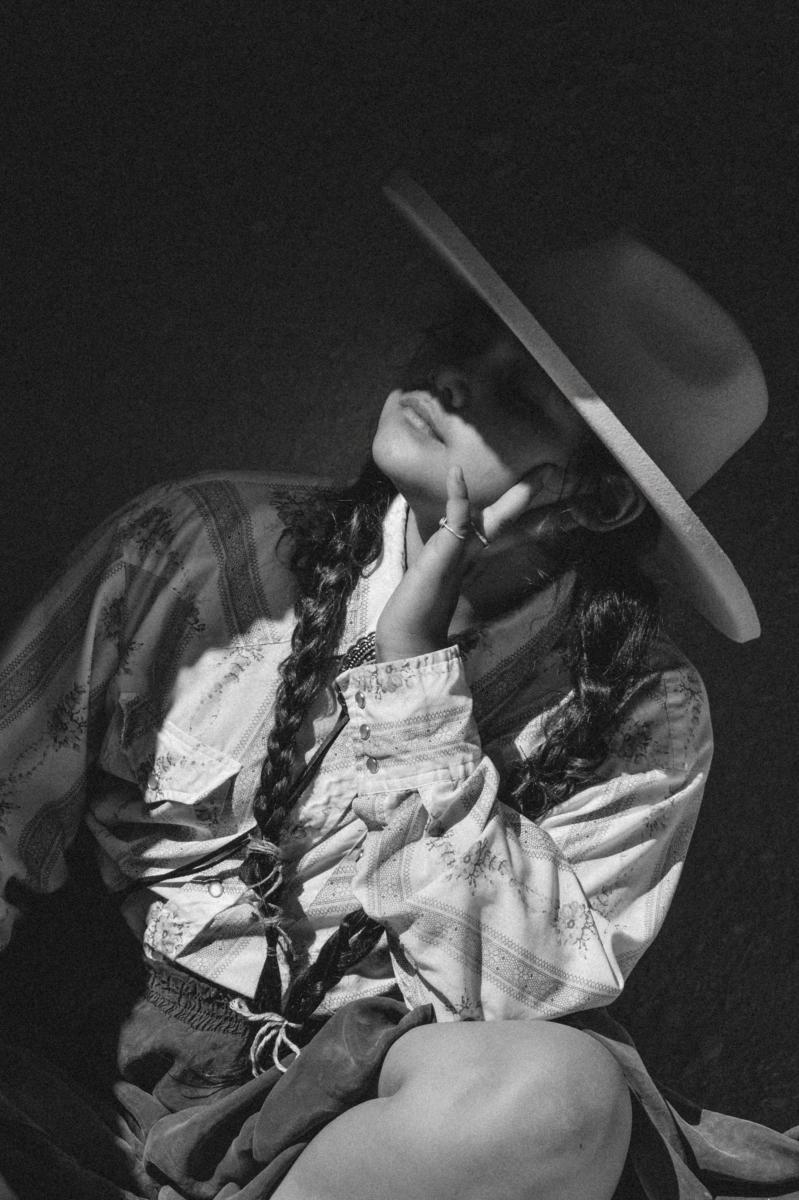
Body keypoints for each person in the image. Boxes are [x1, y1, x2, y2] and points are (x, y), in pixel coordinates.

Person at [0, 173, 796, 1200]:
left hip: (346, 1134)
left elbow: (518, 1006)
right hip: (81, 1049)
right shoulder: (198, 545)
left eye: (514, 393)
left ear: (593, 499)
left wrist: (416, 676)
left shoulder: (646, 712)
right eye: (462, 342)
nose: (453, 379)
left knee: (559, 1097)